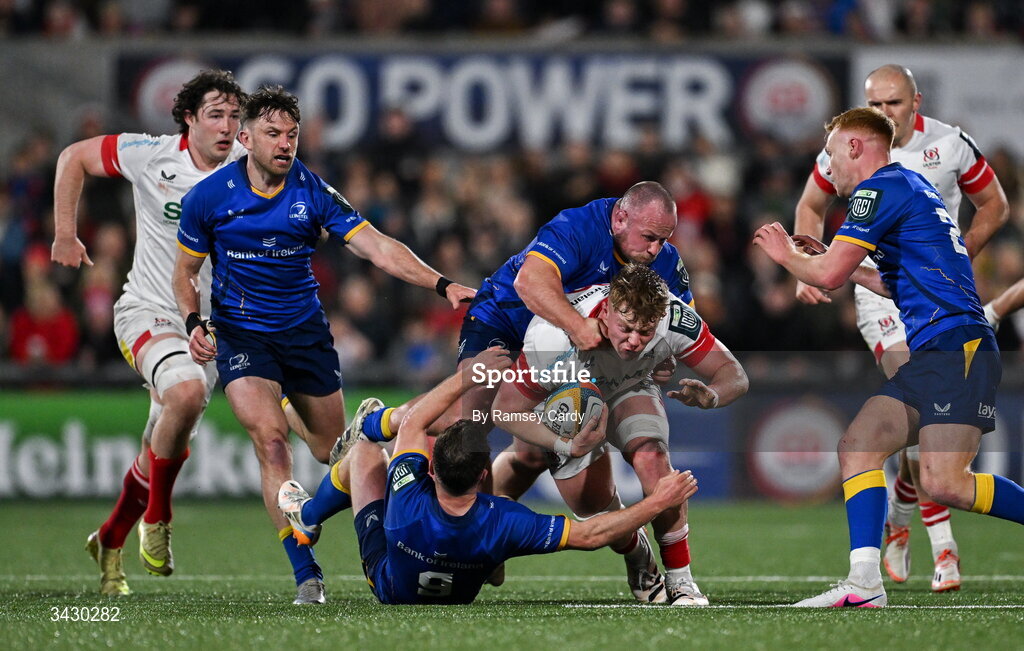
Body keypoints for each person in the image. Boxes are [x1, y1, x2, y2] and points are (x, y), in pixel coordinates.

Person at [172, 85, 474, 604]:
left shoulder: (312, 192)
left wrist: (442, 284)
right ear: (244, 138)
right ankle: (305, 571)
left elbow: (378, 247)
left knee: (329, 451)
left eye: (292, 134)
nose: (285, 144)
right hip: (242, 335)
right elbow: (185, 272)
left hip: (305, 335)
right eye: (272, 134)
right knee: (270, 444)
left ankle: (331, 421)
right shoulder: (208, 198)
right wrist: (194, 320)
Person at [754, 107, 1024, 608]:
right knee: (858, 447)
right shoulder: (907, 186)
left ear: (855, 147)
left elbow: (828, 277)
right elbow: (890, 280)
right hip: (941, 349)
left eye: (832, 151)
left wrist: (785, 255)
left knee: (947, 483)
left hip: (955, 348)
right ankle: (864, 584)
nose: (828, 164)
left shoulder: (877, 190)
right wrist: (832, 260)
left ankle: (867, 582)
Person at [338, 182, 692, 510]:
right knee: (469, 423)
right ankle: (375, 423)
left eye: (663, 239)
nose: (655, 249)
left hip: (555, 347)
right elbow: (529, 282)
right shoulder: (578, 227)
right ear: (620, 218)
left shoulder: (666, 262)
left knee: (532, 455)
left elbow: (682, 323)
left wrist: (664, 356)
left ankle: (491, 527)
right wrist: (577, 327)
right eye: (649, 237)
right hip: (504, 320)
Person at [277, 347, 701, 605]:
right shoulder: (503, 517)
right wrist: (656, 502)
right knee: (496, 545)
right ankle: (492, 564)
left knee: (366, 450)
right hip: (466, 577)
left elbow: (415, 422)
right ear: (483, 476)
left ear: (431, 467)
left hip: (389, 582)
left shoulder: (407, 494)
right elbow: (590, 535)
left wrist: (470, 374)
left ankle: (310, 514)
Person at [51, 70, 247, 597]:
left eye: (234, 115)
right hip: (147, 311)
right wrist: (65, 233)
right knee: (183, 395)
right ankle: (157, 519)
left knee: (162, 440)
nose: (228, 127)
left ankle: (110, 537)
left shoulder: (249, 168)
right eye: (215, 114)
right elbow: (74, 156)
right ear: (188, 117)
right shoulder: (151, 154)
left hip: (207, 328)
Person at [489, 263, 747, 605]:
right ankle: (636, 550)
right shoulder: (551, 339)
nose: (634, 342)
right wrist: (564, 443)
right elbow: (504, 411)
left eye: (645, 332)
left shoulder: (673, 318)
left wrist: (712, 395)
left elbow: (734, 374)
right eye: (626, 329)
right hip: (568, 395)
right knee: (592, 505)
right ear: (607, 310)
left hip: (630, 385)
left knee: (652, 457)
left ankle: (681, 581)